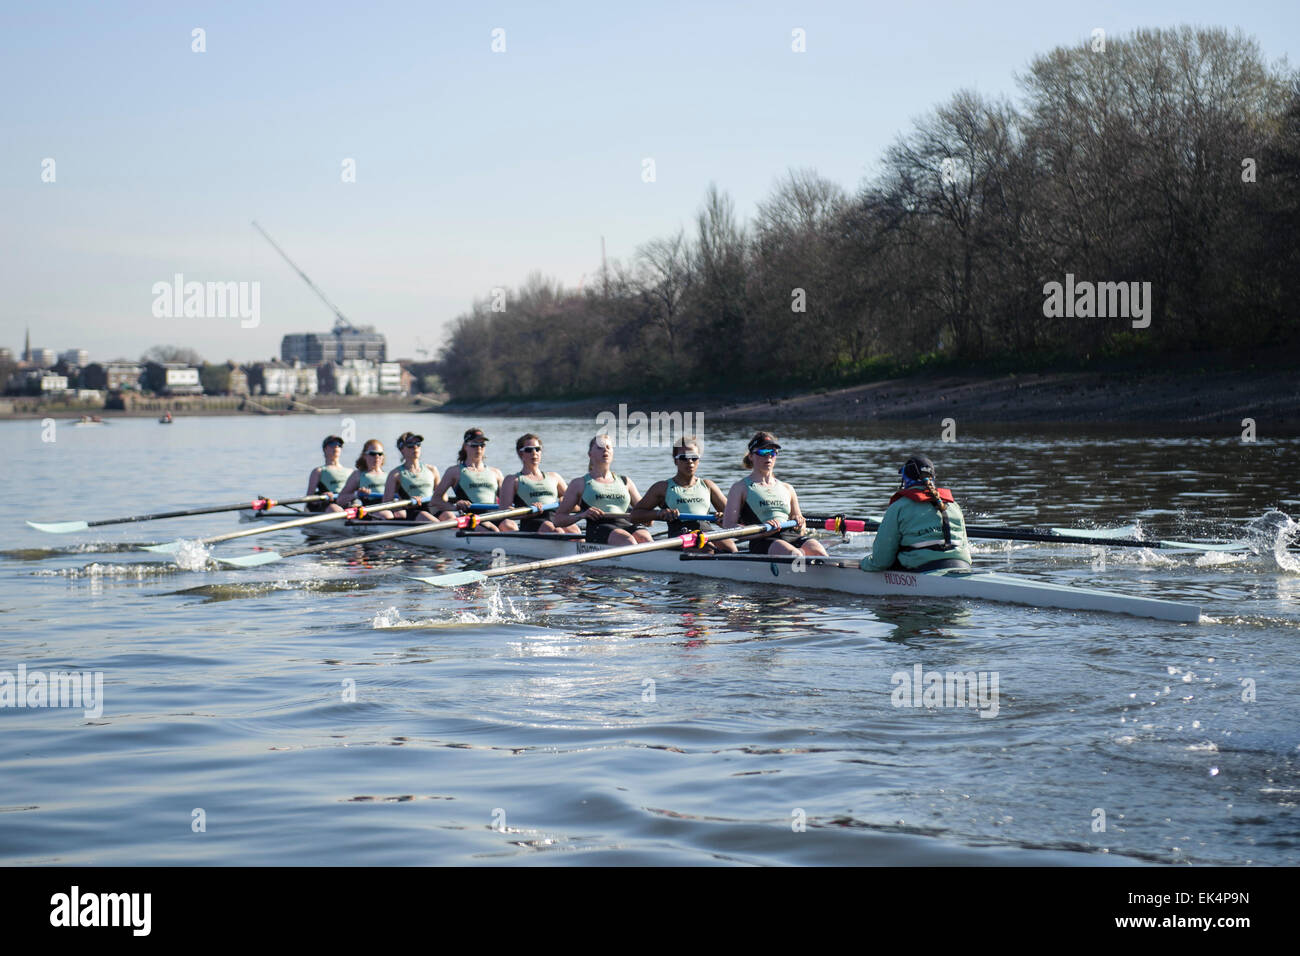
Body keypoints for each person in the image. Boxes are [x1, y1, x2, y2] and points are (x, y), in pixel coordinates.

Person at [723, 431, 827, 557]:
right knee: (795, 554)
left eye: (772, 452)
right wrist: (762, 532)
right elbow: (729, 526)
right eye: (763, 452)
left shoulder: (787, 488)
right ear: (751, 456)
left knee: (818, 551)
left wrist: (799, 524)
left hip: (791, 537)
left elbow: (802, 527)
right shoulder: (740, 488)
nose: (769, 457)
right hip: (763, 540)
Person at [860, 455, 972, 572]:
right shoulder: (954, 505)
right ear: (932, 477)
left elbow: (880, 561)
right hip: (962, 565)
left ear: (905, 478)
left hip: (921, 568)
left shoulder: (899, 507)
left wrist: (863, 563)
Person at [629, 436, 736, 552]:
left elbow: (734, 516)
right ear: (675, 460)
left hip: (707, 532)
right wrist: (659, 513)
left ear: (698, 460)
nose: (689, 461)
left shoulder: (708, 485)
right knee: (707, 547)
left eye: (694, 458)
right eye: (684, 457)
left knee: (730, 547)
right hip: (680, 534)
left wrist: (722, 518)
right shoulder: (662, 487)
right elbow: (634, 516)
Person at [554, 434, 653, 545]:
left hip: (626, 524)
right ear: (590, 454)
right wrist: (582, 515)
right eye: (600, 447)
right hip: (598, 528)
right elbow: (558, 520)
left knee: (647, 540)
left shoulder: (626, 482)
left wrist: (650, 517)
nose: (605, 450)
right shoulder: (579, 483)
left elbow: (645, 515)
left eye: (608, 447)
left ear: (612, 453)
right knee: (629, 541)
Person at [497, 433, 576, 534]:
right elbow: (504, 512)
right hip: (531, 521)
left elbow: (577, 506)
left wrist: (566, 503)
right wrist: (529, 512)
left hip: (554, 518)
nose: (534, 453)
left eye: (537, 449)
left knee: (574, 529)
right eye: (529, 450)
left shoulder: (554, 477)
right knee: (555, 530)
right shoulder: (512, 480)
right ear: (520, 454)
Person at [431, 428, 506, 531]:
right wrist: (455, 507)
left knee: (510, 525)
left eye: (482, 445)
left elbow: (506, 501)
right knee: (493, 530)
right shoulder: (454, 471)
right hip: (470, 517)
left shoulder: (496, 472)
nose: (479, 448)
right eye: (474, 445)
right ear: (465, 446)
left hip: (494, 515)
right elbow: (436, 500)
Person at [383, 432, 442, 521]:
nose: (415, 447)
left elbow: (444, 497)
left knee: (450, 516)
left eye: (418, 444)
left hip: (432, 508)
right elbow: (387, 504)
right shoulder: (395, 474)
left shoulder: (432, 470)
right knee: (425, 516)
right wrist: (405, 504)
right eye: (410, 445)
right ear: (402, 449)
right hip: (411, 510)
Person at [336, 439, 394, 518]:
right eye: (372, 453)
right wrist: (357, 494)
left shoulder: (390, 475)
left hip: (388, 508)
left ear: (383, 456)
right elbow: (340, 499)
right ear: (364, 456)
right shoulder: (358, 475)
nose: (377, 457)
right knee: (387, 515)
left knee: (401, 513)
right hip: (368, 510)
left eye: (380, 454)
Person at [305, 435, 352, 512]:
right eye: (333, 444)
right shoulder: (318, 471)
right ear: (325, 449)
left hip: (347, 503)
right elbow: (309, 498)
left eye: (339, 445)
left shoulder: (350, 471)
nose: (336, 447)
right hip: (329, 504)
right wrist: (321, 497)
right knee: (334, 508)